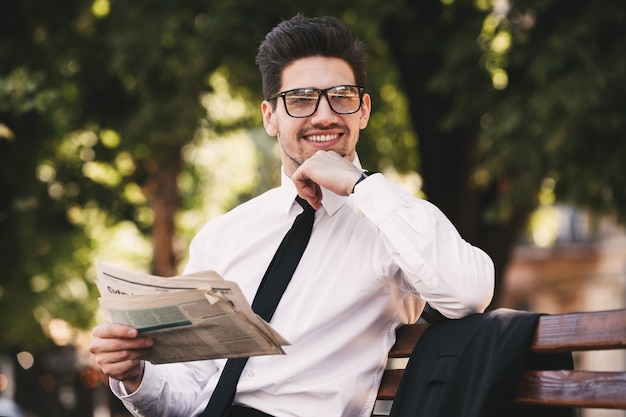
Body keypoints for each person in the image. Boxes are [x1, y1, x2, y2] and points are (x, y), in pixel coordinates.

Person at [89, 14, 494, 417]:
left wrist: (359, 185)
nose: (323, 115)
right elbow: (191, 390)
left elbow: (470, 292)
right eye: (301, 99)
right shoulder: (223, 235)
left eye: (342, 96)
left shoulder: (393, 222)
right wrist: (135, 374)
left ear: (363, 110)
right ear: (270, 116)